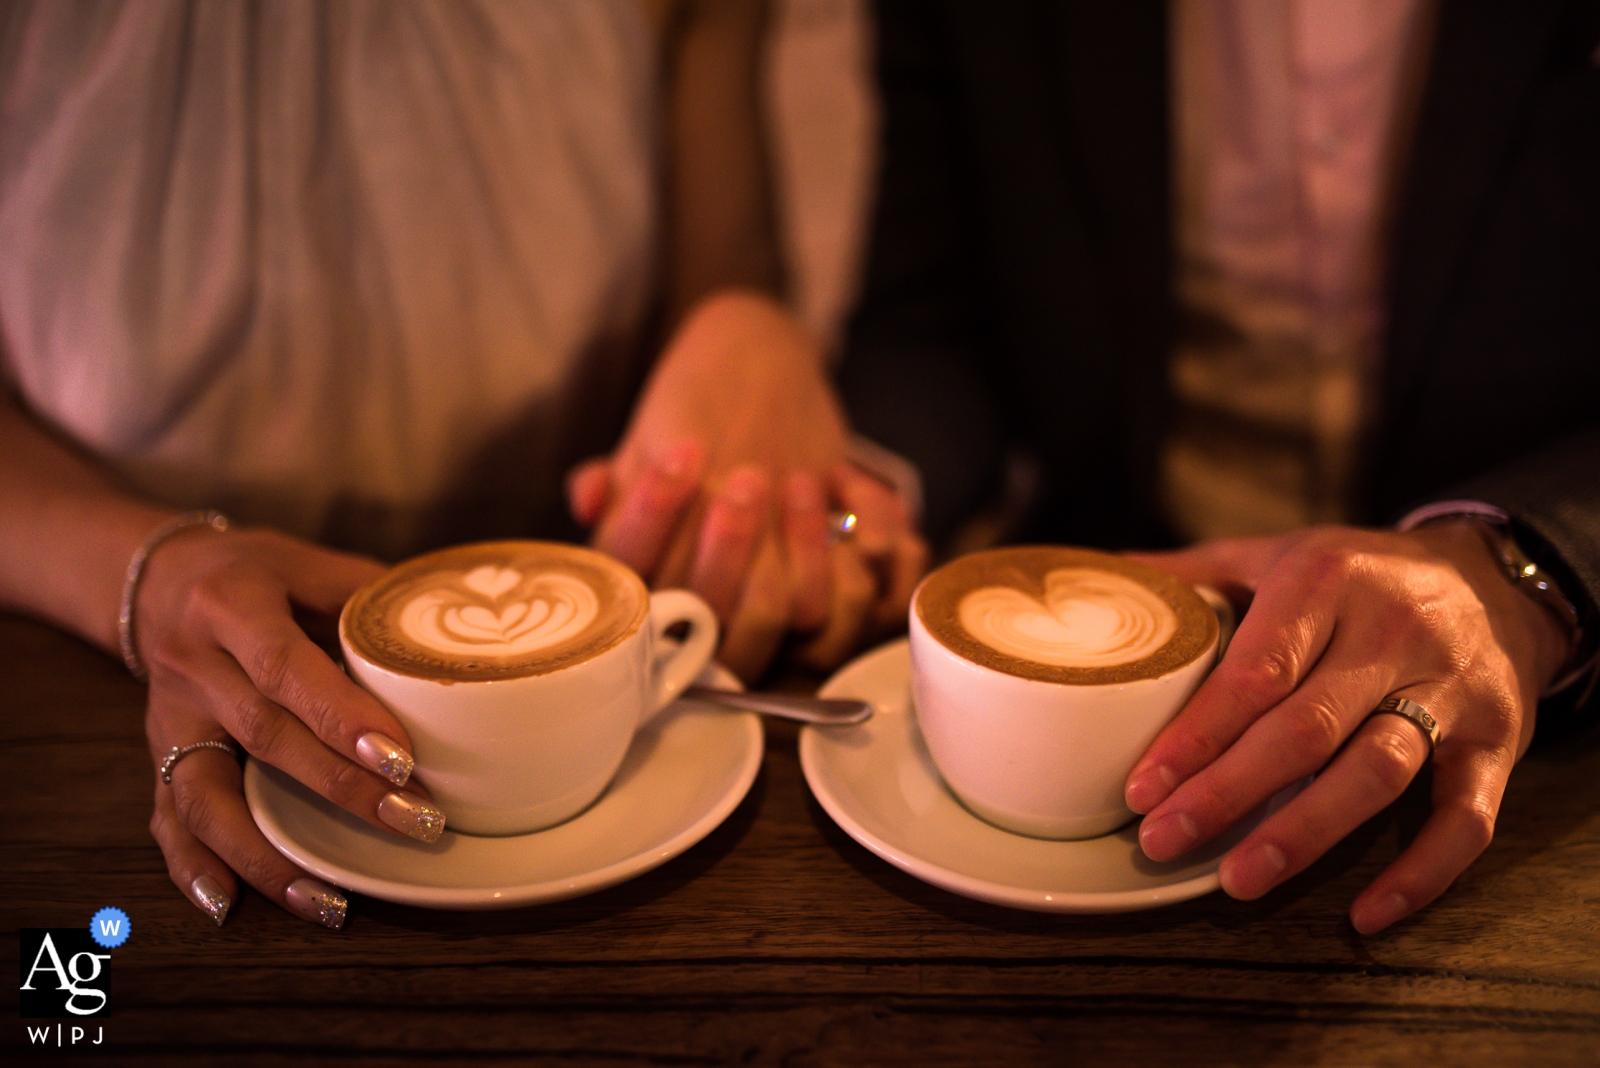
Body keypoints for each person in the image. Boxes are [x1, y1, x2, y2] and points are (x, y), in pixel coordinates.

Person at [0, 0, 921, 928]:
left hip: (586, 640)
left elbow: (728, 272)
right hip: (93, 687)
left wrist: (750, 333)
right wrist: (145, 577)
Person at [842, 0, 1600, 933]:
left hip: (1514, 697)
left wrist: (1531, 569)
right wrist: (861, 496)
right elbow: (930, 323)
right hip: (1125, 578)